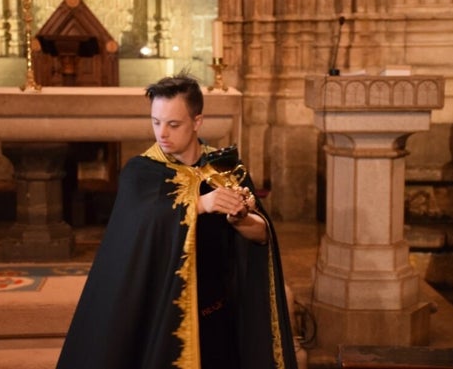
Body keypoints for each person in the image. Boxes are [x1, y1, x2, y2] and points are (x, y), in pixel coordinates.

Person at [56, 72, 298, 369]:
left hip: (216, 317)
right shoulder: (140, 173)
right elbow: (140, 228)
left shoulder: (224, 170)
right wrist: (200, 204)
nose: (162, 134)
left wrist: (240, 219)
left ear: (197, 121)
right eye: (156, 122)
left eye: (173, 124)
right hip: (161, 320)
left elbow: (263, 236)